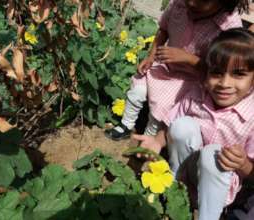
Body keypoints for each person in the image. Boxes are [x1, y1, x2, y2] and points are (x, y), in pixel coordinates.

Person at [133, 28, 254, 220]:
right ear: (206, 74)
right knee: (182, 126)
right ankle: (176, 192)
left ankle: (207, 216)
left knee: (212, 154)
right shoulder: (198, 94)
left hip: (215, 189)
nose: (224, 83)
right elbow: (170, 124)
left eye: (238, 74)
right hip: (187, 171)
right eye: (216, 73)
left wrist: (244, 164)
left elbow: (252, 172)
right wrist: (156, 142)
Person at [105, 0, 249, 141]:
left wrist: (189, 59)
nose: (192, 3)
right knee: (138, 90)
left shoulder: (228, 27)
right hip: (166, 67)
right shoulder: (178, 5)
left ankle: (149, 139)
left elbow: (223, 71)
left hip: (194, 79)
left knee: (161, 106)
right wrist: (151, 57)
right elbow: (163, 30)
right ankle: (126, 125)